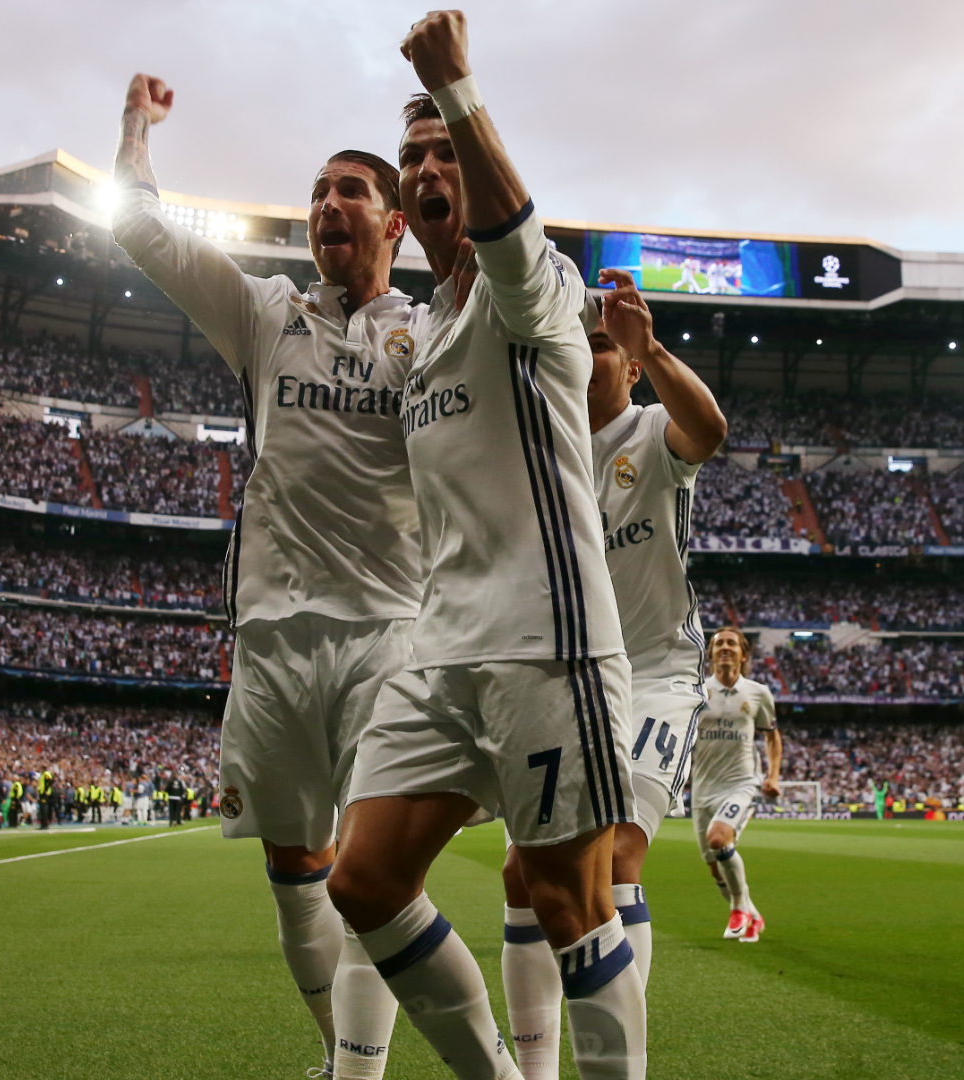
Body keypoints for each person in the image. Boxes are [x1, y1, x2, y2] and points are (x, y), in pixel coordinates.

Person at [327, 14, 644, 1080]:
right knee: (362, 882)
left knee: (566, 901)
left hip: (547, 644)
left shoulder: (534, 288)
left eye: (443, 154)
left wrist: (455, 87)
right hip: (440, 650)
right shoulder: (421, 336)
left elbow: (511, 228)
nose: (426, 170)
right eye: (412, 157)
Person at [111, 68, 419, 1080]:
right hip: (273, 633)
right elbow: (142, 234)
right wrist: (136, 131)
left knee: (372, 876)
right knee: (297, 874)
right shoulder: (264, 312)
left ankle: (361, 1076)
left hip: (390, 631)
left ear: (395, 224)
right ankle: (340, 1053)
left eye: (351, 192)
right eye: (320, 191)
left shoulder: (431, 337)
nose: (328, 204)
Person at [498, 267, 726, 1076]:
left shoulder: (652, 435)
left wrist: (651, 345)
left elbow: (710, 430)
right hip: (573, 682)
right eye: (582, 345)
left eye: (602, 347)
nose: (590, 359)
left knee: (618, 854)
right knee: (522, 872)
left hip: (658, 673)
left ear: (628, 368)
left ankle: (618, 1065)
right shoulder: (543, 453)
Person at [691, 628, 781, 944]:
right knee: (716, 868)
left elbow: (771, 735)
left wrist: (772, 776)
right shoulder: (697, 692)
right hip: (703, 789)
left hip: (741, 783)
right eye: (719, 643)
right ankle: (752, 915)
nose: (725, 647)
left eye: (731, 643)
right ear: (711, 653)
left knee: (719, 839)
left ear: (743, 655)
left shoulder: (758, 693)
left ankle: (739, 908)